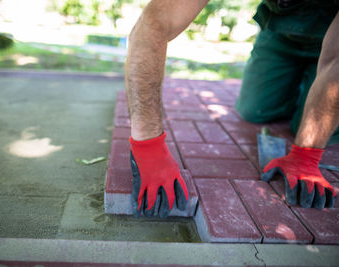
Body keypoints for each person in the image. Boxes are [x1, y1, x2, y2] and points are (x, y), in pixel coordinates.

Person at [125, 0, 339, 218]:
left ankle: (310, 84)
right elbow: (153, 24)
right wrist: (148, 146)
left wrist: (306, 154)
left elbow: (336, 62)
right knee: (253, 110)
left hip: (332, 43)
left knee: (315, 129)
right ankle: (302, 86)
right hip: (279, 34)